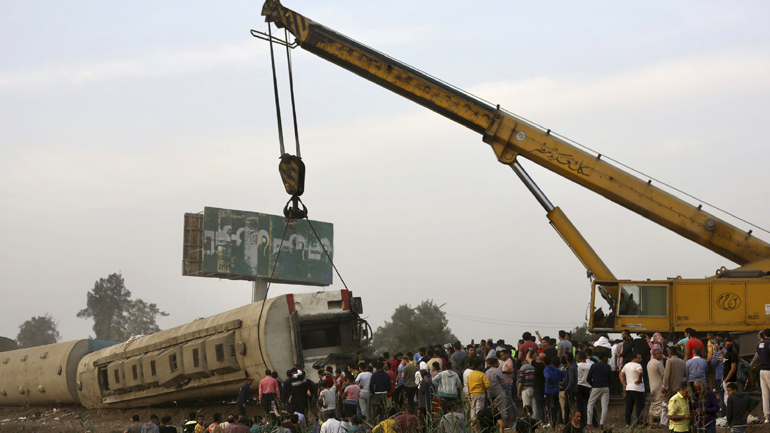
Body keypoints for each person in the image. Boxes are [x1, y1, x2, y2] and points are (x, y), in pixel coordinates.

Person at [586, 351, 611, 429]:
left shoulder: (594, 366)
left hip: (596, 387)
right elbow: (610, 378)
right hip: (605, 387)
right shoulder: (608, 366)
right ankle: (602, 424)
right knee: (604, 406)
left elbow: (588, 378)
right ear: (604, 357)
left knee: (590, 405)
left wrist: (592, 384)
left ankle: (589, 424)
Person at [620, 352, 645, 427]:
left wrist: (624, 384)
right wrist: (639, 379)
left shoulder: (626, 365)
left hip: (629, 388)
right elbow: (640, 372)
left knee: (629, 406)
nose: (641, 359)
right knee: (639, 406)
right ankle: (639, 423)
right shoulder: (638, 365)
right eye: (639, 358)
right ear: (634, 358)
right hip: (638, 389)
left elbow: (621, 375)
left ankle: (628, 423)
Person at [486, 357, 509, 425]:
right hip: (499, 391)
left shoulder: (487, 372)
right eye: (498, 363)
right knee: (502, 408)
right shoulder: (498, 371)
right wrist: (504, 387)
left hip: (490, 392)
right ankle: (503, 424)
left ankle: (492, 424)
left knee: (491, 408)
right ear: (494, 363)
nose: (499, 364)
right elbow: (503, 382)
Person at [647, 348, 666, 428]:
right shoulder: (658, 363)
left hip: (652, 386)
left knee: (653, 404)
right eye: (660, 353)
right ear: (655, 354)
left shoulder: (649, 363)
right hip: (659, 386)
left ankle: (651, 423)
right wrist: (665, 386)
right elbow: (664, 376)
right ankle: (662, 423)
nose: (661, 355)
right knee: (661, 404)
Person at [756, 328, 770, 423]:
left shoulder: (759, 344)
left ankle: (767, 417)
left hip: (762, 370)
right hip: (769, 370)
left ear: (764, 334)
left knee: (765, 395)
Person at [518, 354, 537, 420]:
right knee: (534, 406)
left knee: (526, 405)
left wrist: (519, 390)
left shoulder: (523, 368)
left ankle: (527, 419)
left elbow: (521, 380)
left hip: (525, 389)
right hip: (534, 388)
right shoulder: (535, 366)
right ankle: (535, 420)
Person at [575, 352, 591, 428]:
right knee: (589, 404)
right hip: (588, 386)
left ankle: (581, 422)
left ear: (579, 358)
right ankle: (591, 421)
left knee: (580, 405)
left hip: (579, 385)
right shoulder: (590, 365)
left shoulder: (577, 366)